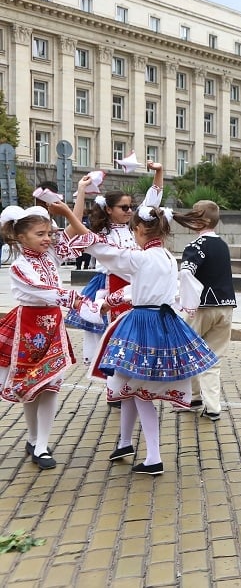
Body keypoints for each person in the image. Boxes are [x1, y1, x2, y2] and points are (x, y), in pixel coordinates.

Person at [53, 200, 218, 476]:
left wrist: (69, 213)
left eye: (133, 230)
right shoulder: (165, 256)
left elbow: (97, 246)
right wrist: (114, 299)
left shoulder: (140, 258)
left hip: (143, 324)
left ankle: (154, 457)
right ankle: (125, 442)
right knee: (129, 385)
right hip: (163, 322)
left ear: (140, 229)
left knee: (140, 391)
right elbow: (142, 287)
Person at [0, 206, 97, 470]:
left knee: (51, 384)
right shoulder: (19, 267)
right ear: (21, 237)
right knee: (31, 386)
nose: (48, 238)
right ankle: (33, 439)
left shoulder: (50, 255)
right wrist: (79, 301)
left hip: (52, 326)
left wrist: (72, 202)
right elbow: (43, 290)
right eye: (40, 234)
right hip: (29, 328)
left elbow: (73, 232)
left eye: (49, 233)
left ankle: (41, 445)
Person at [65, 164, 164, 372]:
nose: (130, 211)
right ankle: (113, 386)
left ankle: (125, 383)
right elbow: (76, 228)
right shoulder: (101, 234)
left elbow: (152, 202)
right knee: (109, 336)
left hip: (134, 288)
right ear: (109, 209)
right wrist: (81, 191)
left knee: (131, 337)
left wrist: (159, 172)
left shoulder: (133, 228)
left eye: (131, 207)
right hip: (109, 287)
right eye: (124, 207)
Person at [176, 201, 236, 422]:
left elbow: (186, 272)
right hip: (226, 305)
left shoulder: (196, 245)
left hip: (202, 307)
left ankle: (193, 397)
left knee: (189, 350)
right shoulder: (222, 245)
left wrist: (188, 300)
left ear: (201, 220)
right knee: (214, 357)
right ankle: (212, 405)